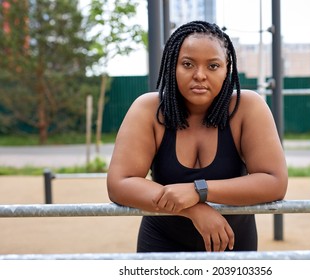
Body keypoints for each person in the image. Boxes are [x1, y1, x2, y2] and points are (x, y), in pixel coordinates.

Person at [107, 20, 288, 253]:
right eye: (187, 64)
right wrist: (193, 209)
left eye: (213, 66)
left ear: (226, 69)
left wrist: (197, 191)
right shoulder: (148, 109)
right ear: (173, 66)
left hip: (231, 243)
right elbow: (120, 183)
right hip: (162, 244)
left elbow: (274, 181)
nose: (200, 75)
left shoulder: (247, 107)